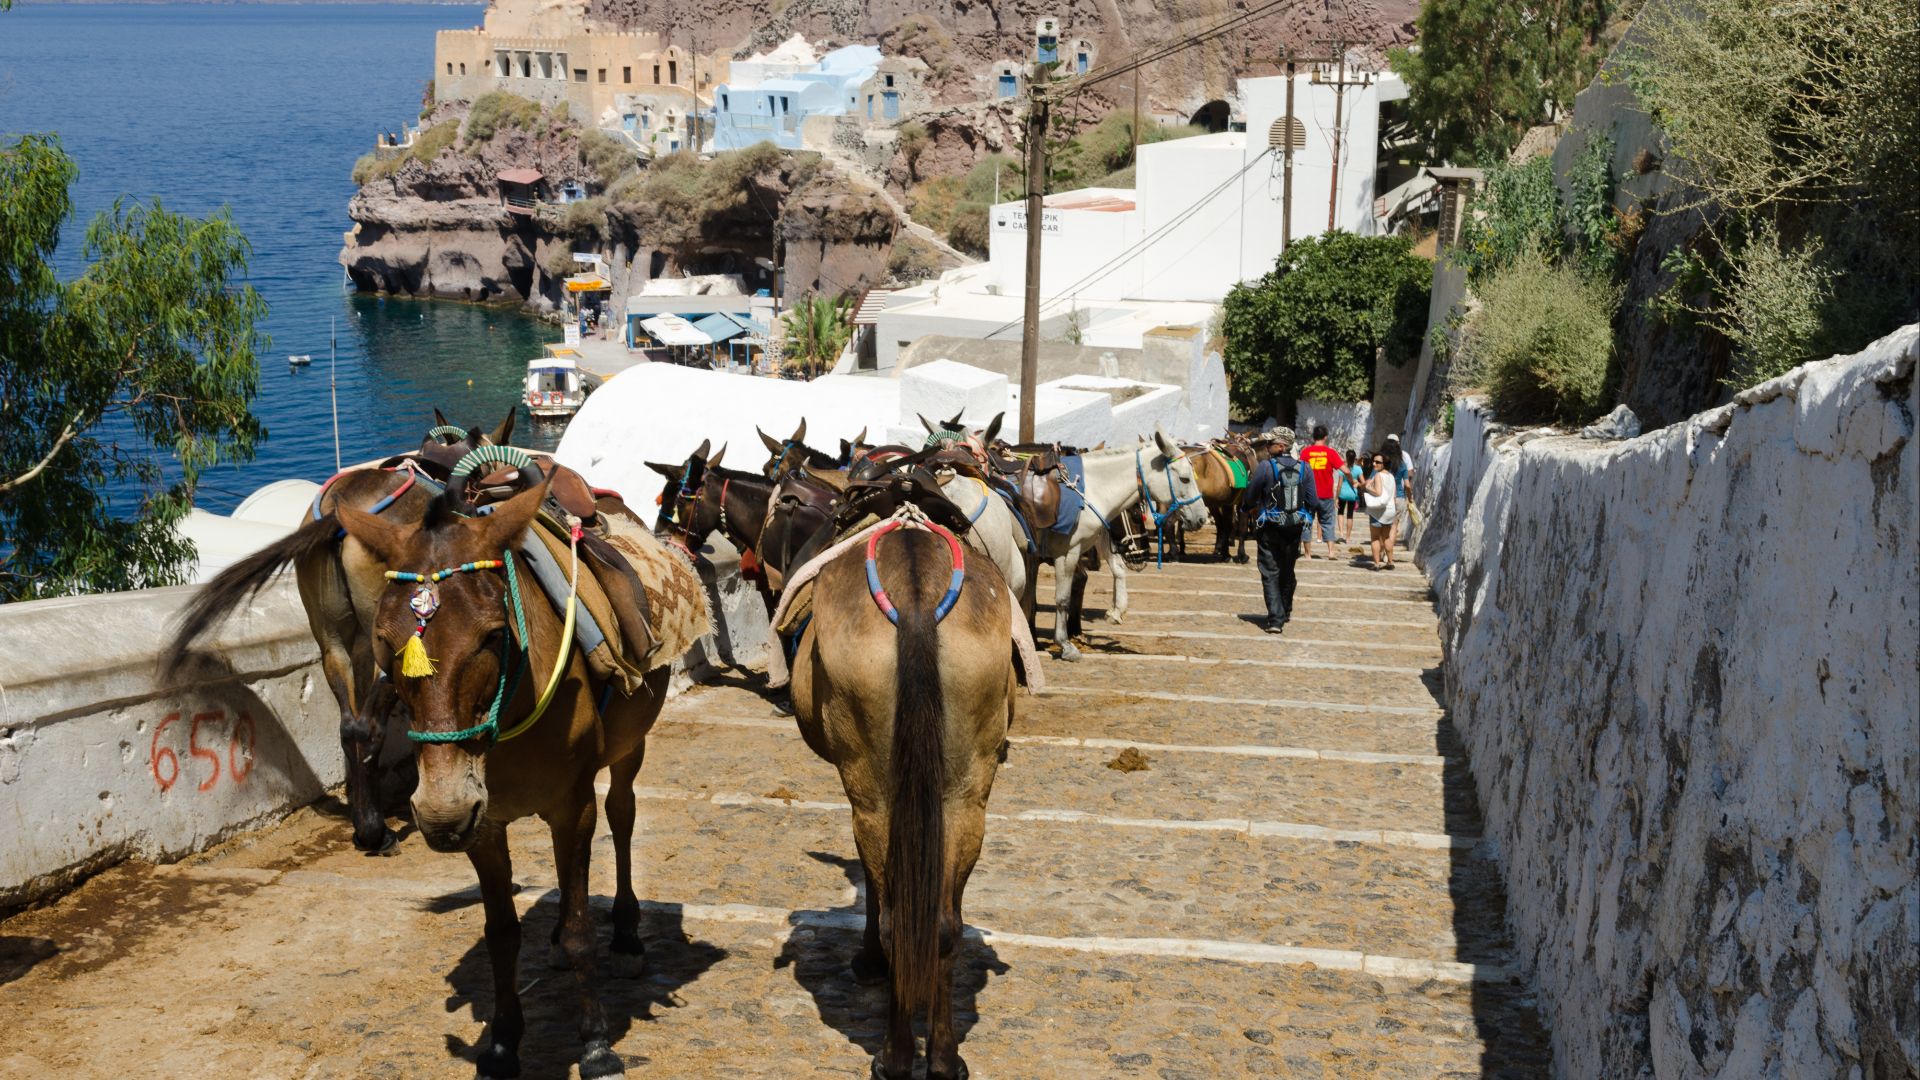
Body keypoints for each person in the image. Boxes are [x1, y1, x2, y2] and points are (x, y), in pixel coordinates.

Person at [1241, 428, 1322, 633]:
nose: (1267, 448)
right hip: (1294, 529)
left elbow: (1250, 495)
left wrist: (1246, 506)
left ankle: (1276, 620)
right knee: (1287, 570)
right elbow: (1313, 500)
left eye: (1270, 444)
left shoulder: (1265, 467)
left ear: (1282, 446)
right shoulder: (1305, 468)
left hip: (1269, 528)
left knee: (1269, 572)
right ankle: (1285, 610)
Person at [1297, 424, 1345, 560]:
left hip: (1308, 495)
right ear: (1326, 437)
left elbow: (1299, 473)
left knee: (1307, 523)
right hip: (1326, 495)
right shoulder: (1330, 453)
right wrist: (1352, 481)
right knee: (1328, 523)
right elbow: (1345, 470)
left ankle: (1307, 554)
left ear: (1313, 437)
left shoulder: (1305, 452)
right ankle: (1331, 552)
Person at [1361, 450, 1399, 570]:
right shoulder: (1391, 476)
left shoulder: (1378, 475)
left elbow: (1378, 492)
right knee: (1387, 537)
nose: (1374, 464)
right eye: (1373, 461)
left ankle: (1377, 564)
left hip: (1378, 511)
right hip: (1389, 510)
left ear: (1384, 464)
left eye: (1377, 462)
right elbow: (1393, 495)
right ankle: (1390, 562)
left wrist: (1367, 487)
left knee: (1375, 538)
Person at [1383, 434, 1414, 552]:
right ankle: (1388, 554)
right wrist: (1410, 497)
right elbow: (1408, 482)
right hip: (1399, 497)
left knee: (1383, 527)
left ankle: (1381, 552)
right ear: (1398, 444)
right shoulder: (1403, 460)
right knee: (1394, 526)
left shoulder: (1382, 459)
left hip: (1384, 497)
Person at [1337, 446, 1361, 543]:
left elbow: (1339, 485)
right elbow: (1362, 482)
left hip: (1342, 493)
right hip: (1352, 494)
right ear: (1355, 458)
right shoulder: (1358, 469)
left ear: (1346, 457)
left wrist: (1336, 498)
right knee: (1350, 515)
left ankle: (1341, 533)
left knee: (1340, 512)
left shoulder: (1342, 468)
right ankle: (1348, 538)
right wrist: (1358, 484)